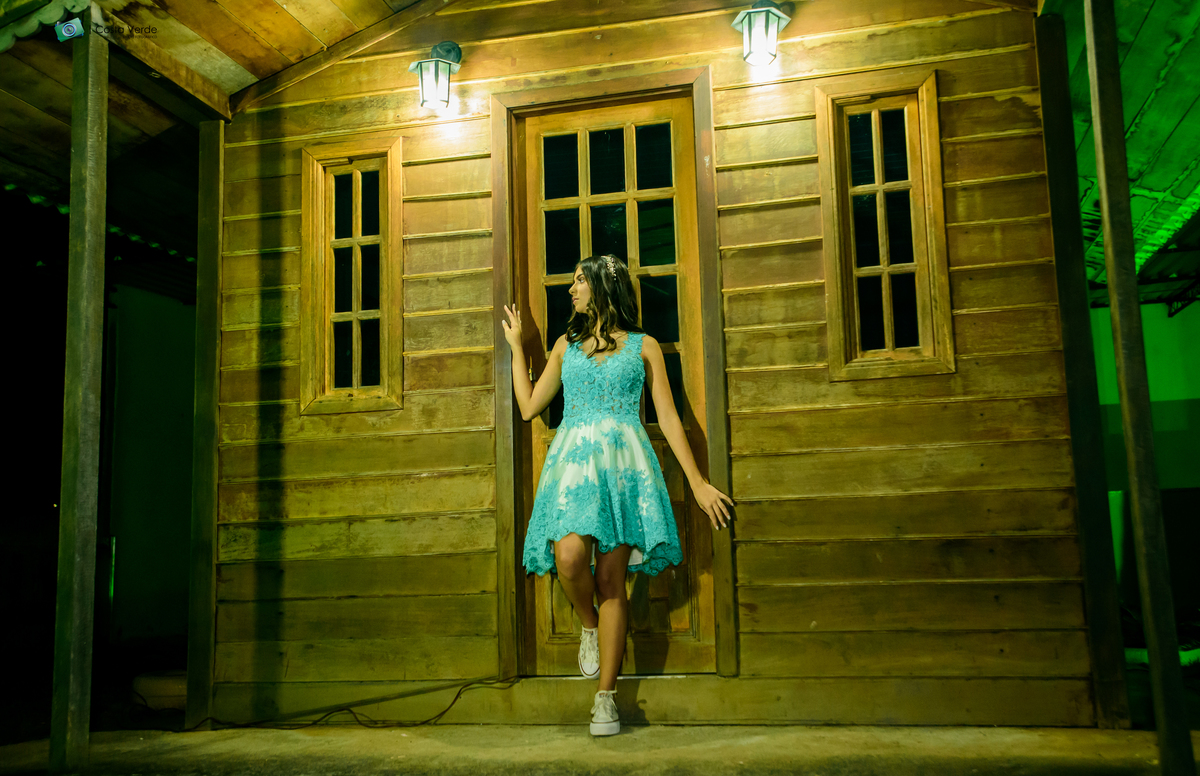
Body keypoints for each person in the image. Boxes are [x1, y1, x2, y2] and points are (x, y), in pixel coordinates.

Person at [500, 253, 735, 736]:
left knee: (612, 580)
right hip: (574, 468)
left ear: (604, 286)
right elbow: (528, 407)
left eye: (579, 281)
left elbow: (667, 416)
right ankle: (588, 622)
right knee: (569, 558)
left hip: (625, 470)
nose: (572, 290)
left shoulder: (644, 346)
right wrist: (517, 347)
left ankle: (605, 698)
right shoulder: (566, 347)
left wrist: (697, 482)